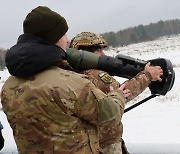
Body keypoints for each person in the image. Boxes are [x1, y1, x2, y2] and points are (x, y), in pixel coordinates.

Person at [1, 6, 133, 154]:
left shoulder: (8, 86)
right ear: (54, 39)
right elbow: (109, 114)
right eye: (64, 35)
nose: (67, 40)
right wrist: (118, 95)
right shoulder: (72, 83)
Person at [69, 32, 163, 154]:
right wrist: (148, 75)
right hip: (105, 143)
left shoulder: (71, 75)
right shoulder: (94, 75)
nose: (103, 55)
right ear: (85, 53)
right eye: (98, 51)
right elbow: (123, 92)